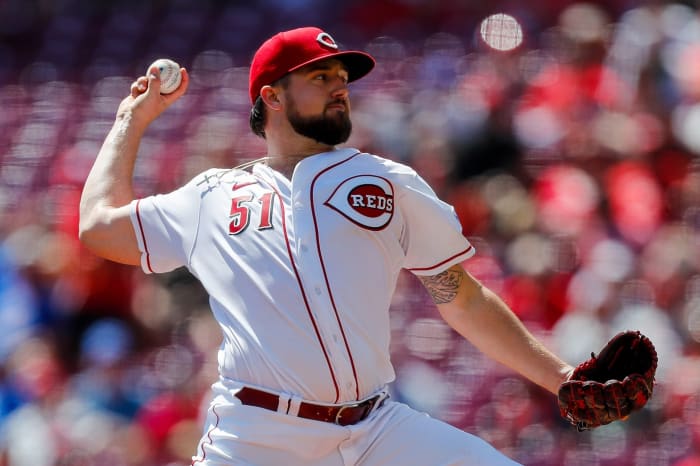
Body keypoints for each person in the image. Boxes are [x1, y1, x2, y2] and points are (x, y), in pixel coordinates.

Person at [79, 26, 574, 466]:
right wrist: (131, 119)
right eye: (319, 77)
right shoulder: (211, 196)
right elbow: (99, 226)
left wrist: (563, 379)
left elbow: (460, 296)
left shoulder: (386, 180)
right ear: (271, 97)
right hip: (257, 438)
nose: (340, 85)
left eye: (341, 75)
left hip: (377, 430)